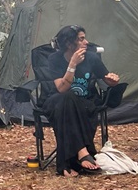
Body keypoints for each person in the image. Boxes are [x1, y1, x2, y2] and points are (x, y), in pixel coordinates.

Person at [43, 25, 121, 176]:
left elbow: (106, 79)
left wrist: (113, 80)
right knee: (67, 98)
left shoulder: (91, 58)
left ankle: (66, 164)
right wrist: (72, 64)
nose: (86, 42)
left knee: (69, 105)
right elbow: (61, 88)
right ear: (69, 43)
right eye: (81, 39)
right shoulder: (55, 59)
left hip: (84, 103)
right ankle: (83, 152)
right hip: (56, 101)